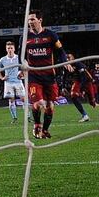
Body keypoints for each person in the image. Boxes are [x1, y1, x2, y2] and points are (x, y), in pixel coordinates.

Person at [23, 10, 69, 139]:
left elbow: (61, 51)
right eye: (28, 20)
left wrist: (65, 62)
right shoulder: (25, 37)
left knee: (50, 106)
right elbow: (21, 57)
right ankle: (37, 124)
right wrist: (22, 67)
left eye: (32, 19)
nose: (30, 22)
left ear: (40, 20)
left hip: (49, 76)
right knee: (38, 103)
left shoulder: (51, 35)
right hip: (33, 76)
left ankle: (45, 130)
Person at [0, 40, 25, 123]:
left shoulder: (19, 58)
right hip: (8, 83)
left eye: (11, 48)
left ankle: (28, 116)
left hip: (18, 82)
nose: (10, 49)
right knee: (11, 100)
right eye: (8, 48)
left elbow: (25, 67)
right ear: (6, 49)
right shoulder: (3, 59)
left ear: (14, 49)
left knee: (23, 99)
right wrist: (2, 78)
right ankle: (14, 118)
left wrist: (23, 74)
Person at [64, 53, 95, 122]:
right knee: (73, 96)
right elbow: (64, 75)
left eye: (69, 58)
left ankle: (92, 101)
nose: (67, 59)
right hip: (77, 81)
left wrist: (82, 89)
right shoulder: (67, 65)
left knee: (92, 102)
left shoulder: (78, 64)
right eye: (67, 58)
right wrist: (63, 86)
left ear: (73, 58)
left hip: (87, 81)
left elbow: (84, 77)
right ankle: (85, 115)